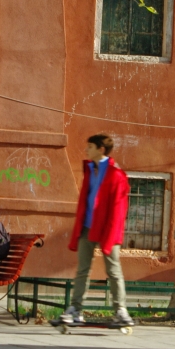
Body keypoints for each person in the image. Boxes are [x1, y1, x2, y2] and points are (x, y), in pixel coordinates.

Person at [60, 133, 133, 327]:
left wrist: (112, 233)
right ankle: (75, 309)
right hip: (87, 226)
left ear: (101, 149)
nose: (86, 150)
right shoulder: (89, 168)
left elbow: (119, 209)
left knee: (113, 270)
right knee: (82, 269)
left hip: (108, 229)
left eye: (90, 147)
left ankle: (121, 310)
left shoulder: (117, 175)